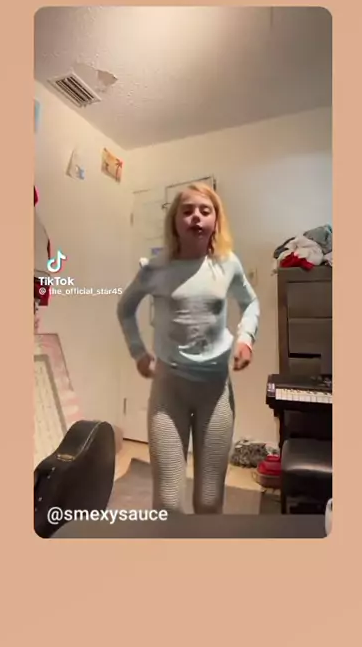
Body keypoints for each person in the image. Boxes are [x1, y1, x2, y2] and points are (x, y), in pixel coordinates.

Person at [117, 183, 260, 514]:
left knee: (209, 500)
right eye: (187, 210)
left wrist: (246, 339)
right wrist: (138, 352)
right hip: (169, 392)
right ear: (175, 221)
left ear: (215, 220)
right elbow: (125, 308)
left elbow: (250, 303)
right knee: (168, 501)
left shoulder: (228, 264)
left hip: (216, 392)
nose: (196, 216)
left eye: (204, 211)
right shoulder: (155, 268)